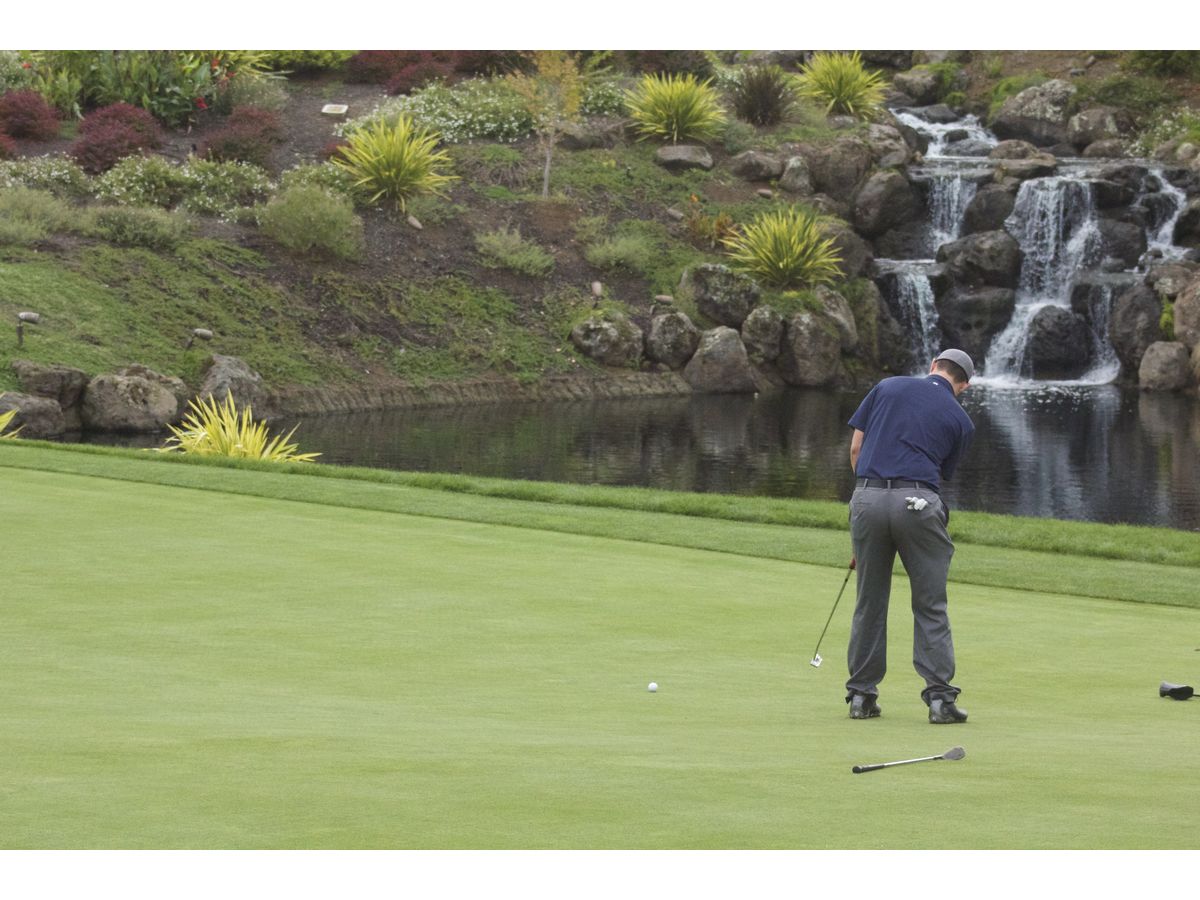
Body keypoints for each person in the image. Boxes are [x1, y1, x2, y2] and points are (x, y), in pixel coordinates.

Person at [843, 349, 976, 725]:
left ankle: (861, 696)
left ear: (933, 365)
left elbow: (856, 448)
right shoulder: (961, 420)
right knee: (930, 604)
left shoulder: (886, 387)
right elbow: (939, 474)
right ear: (964, 385)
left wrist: (868, 504)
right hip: (918, 503)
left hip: (867, 499)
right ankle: (940, 701)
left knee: (869, 602)